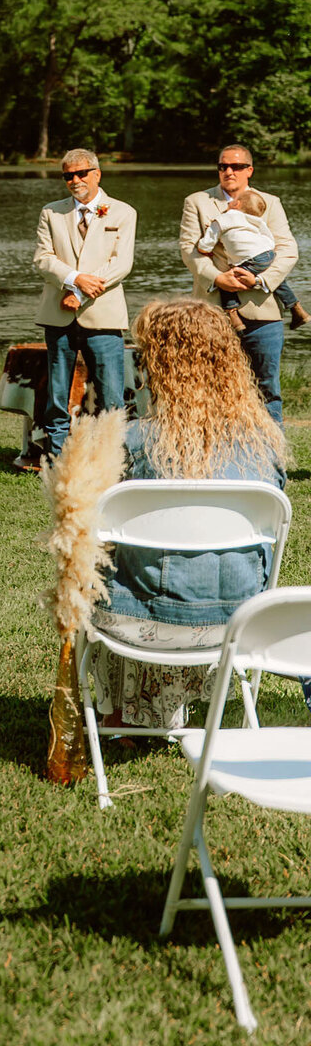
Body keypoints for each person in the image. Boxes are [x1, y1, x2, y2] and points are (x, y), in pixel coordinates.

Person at [87, 298, 288, 730]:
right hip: (240, 622)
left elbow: (95, 529)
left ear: (159, 366)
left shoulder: (132, 441)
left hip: (139, 622)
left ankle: (128, 711)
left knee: (97, 567)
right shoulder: (265, 444)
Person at [179, 144, 298, 424]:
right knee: (209, 387)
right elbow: (189, 250)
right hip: (211, 312)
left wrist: (260, 279)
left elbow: (288, 249)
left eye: (236, 166)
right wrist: (217, 278)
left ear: (249, 170)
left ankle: (271, 451)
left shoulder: (270, 202)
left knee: (267, 389)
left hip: (262, 311)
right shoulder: (197, 202)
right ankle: (215, 450)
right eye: (223, 166)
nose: (229, 171)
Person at [32, 148, 136, 463]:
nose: (75, 180)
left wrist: (80, 293)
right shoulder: (51, 212)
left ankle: (112, 458)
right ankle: (57, 458)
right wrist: (75, 279)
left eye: (81, 173)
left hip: (104, 316)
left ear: (97, 174)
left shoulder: (123, 212)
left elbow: (121, 265)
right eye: (68, 175)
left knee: (111, 394)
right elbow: (42, 259)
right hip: (58, 315)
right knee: (57, 394)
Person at [195, 184, 308, 333]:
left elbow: (207, 243)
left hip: (251, 259)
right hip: (267, 253)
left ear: (236, 204)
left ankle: (232, 314)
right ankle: (296, 308)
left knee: (228, 281)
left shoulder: (223, 218)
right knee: (278, 281)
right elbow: (268, 236)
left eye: (232, 201)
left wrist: (203, 249)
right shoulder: (255, 220)